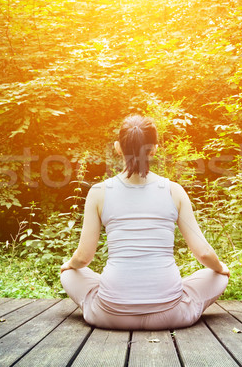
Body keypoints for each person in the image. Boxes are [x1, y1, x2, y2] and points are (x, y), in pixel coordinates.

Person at [60, 115, 229, 330]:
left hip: (110, 315)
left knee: (70, 274)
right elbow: (204, 254)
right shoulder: (174, 191)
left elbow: (83, 258)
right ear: (154, 149)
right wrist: (221, 268)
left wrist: (69, 266)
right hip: (170, 314)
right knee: (216, 275)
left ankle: (106, 300)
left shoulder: (98, 192)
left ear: (118, 147)